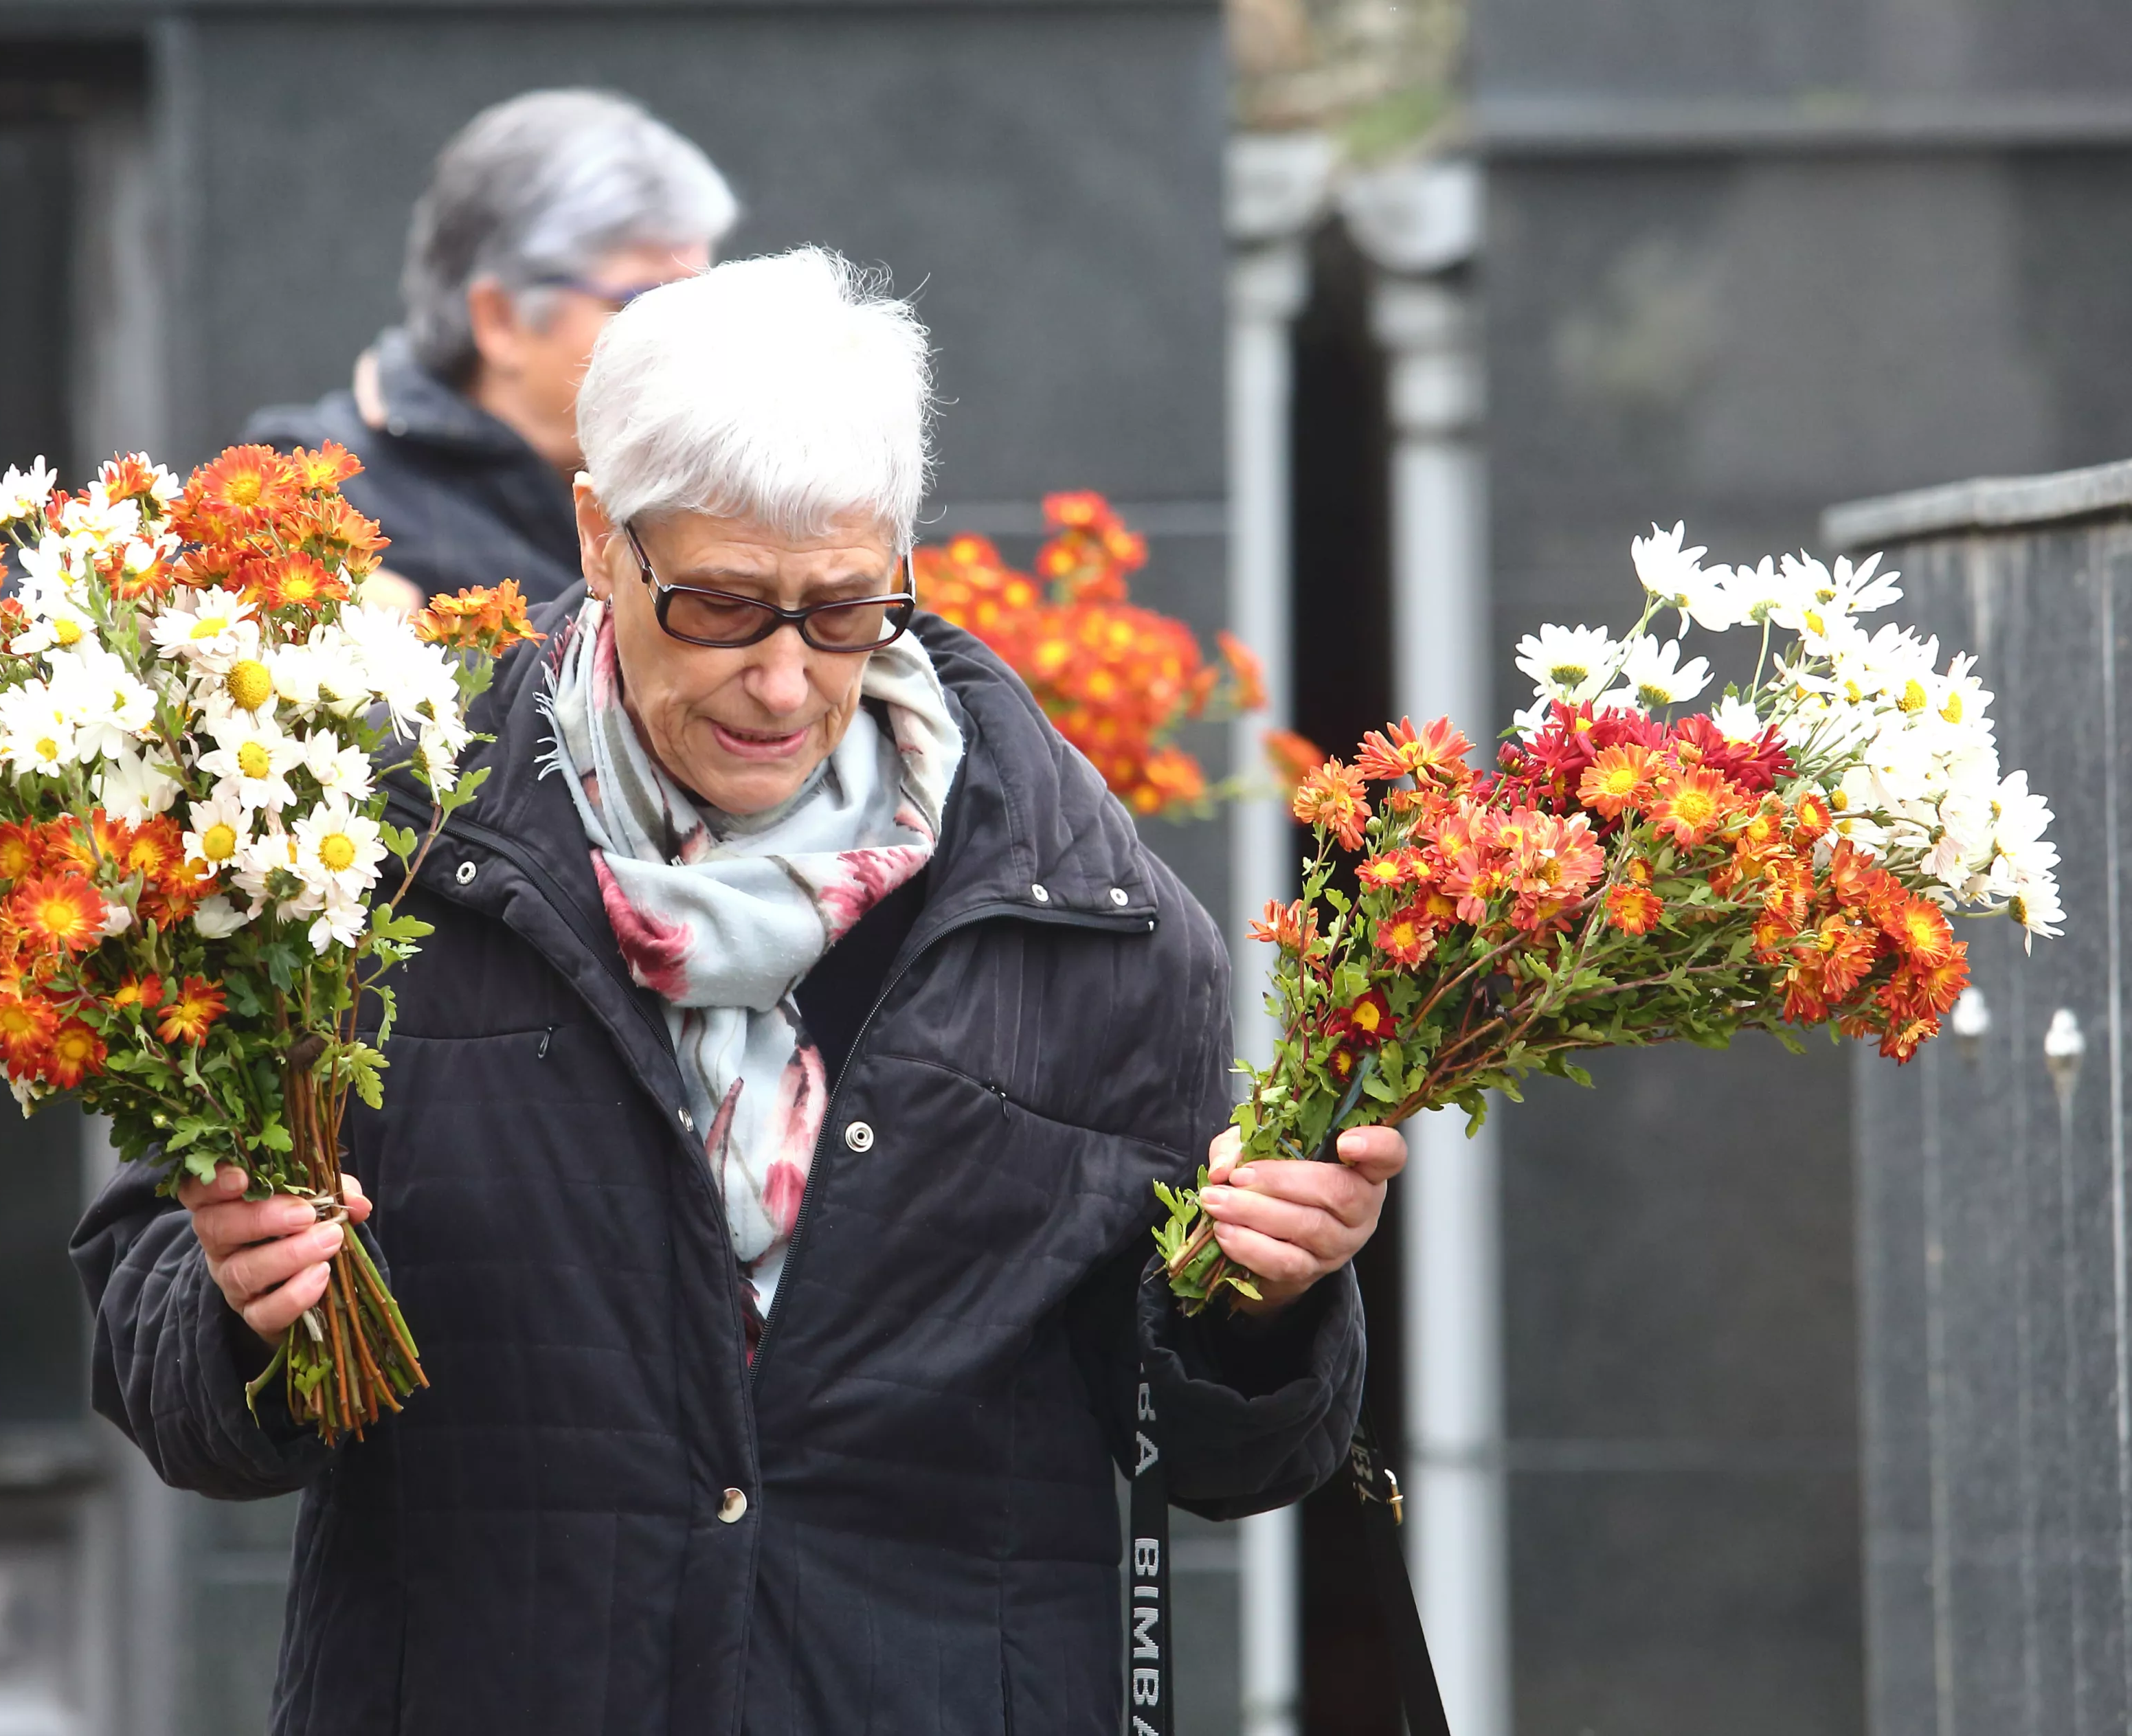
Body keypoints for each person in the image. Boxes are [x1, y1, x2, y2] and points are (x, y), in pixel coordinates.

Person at [77, 248, 1404, 1735]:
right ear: (595, 537)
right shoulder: (371, 871)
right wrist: (242, 1313)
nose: (783, 682)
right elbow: (163, 1367)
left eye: (843, 612)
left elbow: (1216, 1457)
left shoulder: (1092, 924)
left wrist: (1264, 1304)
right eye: (719, 607)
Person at [245, 88, 735, 609]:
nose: (689, 336)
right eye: (640, 302)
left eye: (700, 298)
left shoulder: (731, 476)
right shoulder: (311, 493)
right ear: (499, 319)